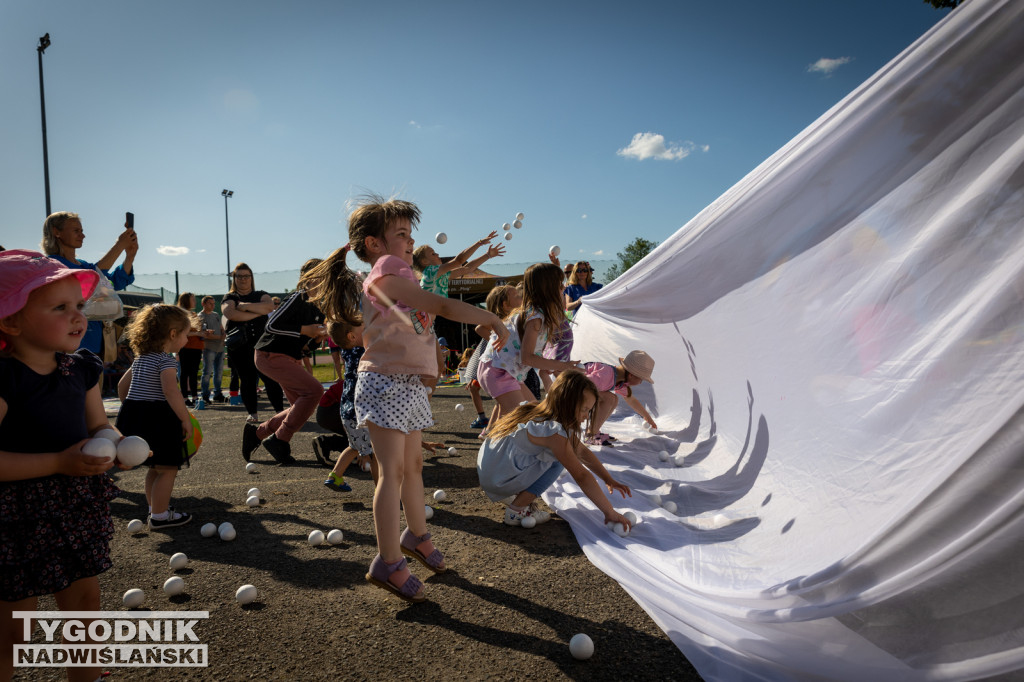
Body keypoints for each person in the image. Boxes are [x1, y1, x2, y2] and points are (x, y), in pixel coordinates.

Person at [304, 194, 508, 603]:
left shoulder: (406, 278)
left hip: (409, 384)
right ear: (374, 244)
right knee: (391, 473)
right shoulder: (384, 279)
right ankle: (388, 561)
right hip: (383, 383)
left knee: (413, 466)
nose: (410, 241)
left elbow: (428, 313)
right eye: (401, 234)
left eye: (410, 233)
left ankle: (417, 535)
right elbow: (441, 305)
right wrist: (488, 317)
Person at [0, 250, 121, 682]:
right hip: (14, 516)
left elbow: (99, 424)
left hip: (74, 506)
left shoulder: (82, 370)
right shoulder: (6, 378)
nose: (78, 317)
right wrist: (57, 461)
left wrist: (118, 446)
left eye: (79, 306)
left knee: (86, 606)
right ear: (11, 322)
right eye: (60, 307)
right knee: (13, 629)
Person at [477, 370, 632, 528]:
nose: (586, 416)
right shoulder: (555, 433)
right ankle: (516, 511)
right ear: (567, 403)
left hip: (491, 470)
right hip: (497, 480)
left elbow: (582, 451)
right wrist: (609, 512)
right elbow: (582, 476)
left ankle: (513, 493)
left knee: (555, 455)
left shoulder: (537, 409)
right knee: (558, 462)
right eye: (584, 409)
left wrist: (608, 479)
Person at [116, 304, 197, 529]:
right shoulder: (166, 360)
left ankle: (156, 510)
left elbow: (122, 386)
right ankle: (160, 517)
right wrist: (185, 419)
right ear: (173, 334)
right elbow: (171, 391)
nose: (187, 340)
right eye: (186, 334)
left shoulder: (141, 358)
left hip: (135, 414)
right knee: (168, 469)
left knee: (155, 467)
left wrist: (132, 409)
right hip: (159, 418)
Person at [241, 259, 328, 466]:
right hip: (270, 355)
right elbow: (271, 325)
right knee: (314, 391)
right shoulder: (298, 297)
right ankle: (279, 440)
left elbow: (304, 348)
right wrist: (306, 330)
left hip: (290, 358)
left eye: (324, 277)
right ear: (306, 279)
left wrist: (315, 340)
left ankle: (258, 432)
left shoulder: (319, 307)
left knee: (301, 408)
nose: (321, 281)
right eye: (317, 276)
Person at [477, 262, 578, 432]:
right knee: (529, 419)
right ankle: (495, 449)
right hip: (498, 371)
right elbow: (527, 357)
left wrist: (554, 367)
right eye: (559, 283)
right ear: (548, 288)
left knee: (534, 414)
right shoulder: (535, 317)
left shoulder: (538, 314)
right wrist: (561, 366)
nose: (563, 287)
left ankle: (490, 441)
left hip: (506, 371)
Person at [41, 211, 138, 358]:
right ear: (56, 232)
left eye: (82, 231)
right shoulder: (52, 265)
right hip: (68, 346)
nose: (82, 235)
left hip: (94, 344)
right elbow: (93, 275)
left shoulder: (84, 265)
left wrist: (129, 256)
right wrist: (119, 245)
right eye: (76, 231)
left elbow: (113, 282)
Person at [221, 263, 285, 423]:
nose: (243, 279)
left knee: (271, 378)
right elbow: (230, 313)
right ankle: (253, 413)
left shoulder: (261, 294)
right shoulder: (230, 297)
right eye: (239, 276)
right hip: (240, 347)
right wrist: (256, 313)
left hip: (263, 345)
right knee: (247, 379)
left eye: (246, 276)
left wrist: (244, 307)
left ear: (251, 278)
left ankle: (280, 411)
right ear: (234, 279)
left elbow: (269, 306)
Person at [321, 319, 377, 492]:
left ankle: (335, 476)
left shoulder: (347, 351)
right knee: (375, 455)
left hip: (347, 412)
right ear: (352, 336)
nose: (368, 328)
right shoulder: (363, 351)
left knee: (354, 446)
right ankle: (383, 490)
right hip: (361, 412)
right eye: (364, 327)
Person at [470, 285, 520, 435]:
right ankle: (493, 433)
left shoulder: (514, 319)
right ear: (505, 305)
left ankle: (489, 432)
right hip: (497, 365)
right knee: (513, 407)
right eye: (517, 296)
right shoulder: (502, 321)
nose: (521, 298)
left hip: (508, 367)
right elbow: (479, 328)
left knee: (504, 404)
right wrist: (498, 340)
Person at [582, 350, 658, 446]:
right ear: (631, 375)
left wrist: (648, 417)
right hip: (573, 392)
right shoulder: (605, 375)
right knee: (609, 398)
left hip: (582, 392)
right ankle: (590, 435)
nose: (640, 383)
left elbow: (631, 400)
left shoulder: (619, 382)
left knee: (614, 399)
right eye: (641, 379)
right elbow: (580, 383)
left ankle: (594, 432)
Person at [176, 292, 204, 407]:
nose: (195, 301)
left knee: (193, 373)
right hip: (185, 347)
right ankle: (185, 398)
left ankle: (195, 397)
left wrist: (203, 333)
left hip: (197, 347)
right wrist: (198, 332)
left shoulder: (193, 314)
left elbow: (197, 330)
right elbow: (183, 332)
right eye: (192, 299)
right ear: (186, 300)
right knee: (184, 373)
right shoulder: (180, 314)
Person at [198, 295, 226, 407]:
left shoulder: (215, 315)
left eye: (214, 303)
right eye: (210, 303)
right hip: (209, 348)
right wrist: (219, 337)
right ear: (203, 304)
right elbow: (204, 335)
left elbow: (220, 327)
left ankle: (217, 394)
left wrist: (223, 334)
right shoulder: (200, 316)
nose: (213, 305)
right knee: (207, 372)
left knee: (218, 373)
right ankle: (205, 395)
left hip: (220, 347)